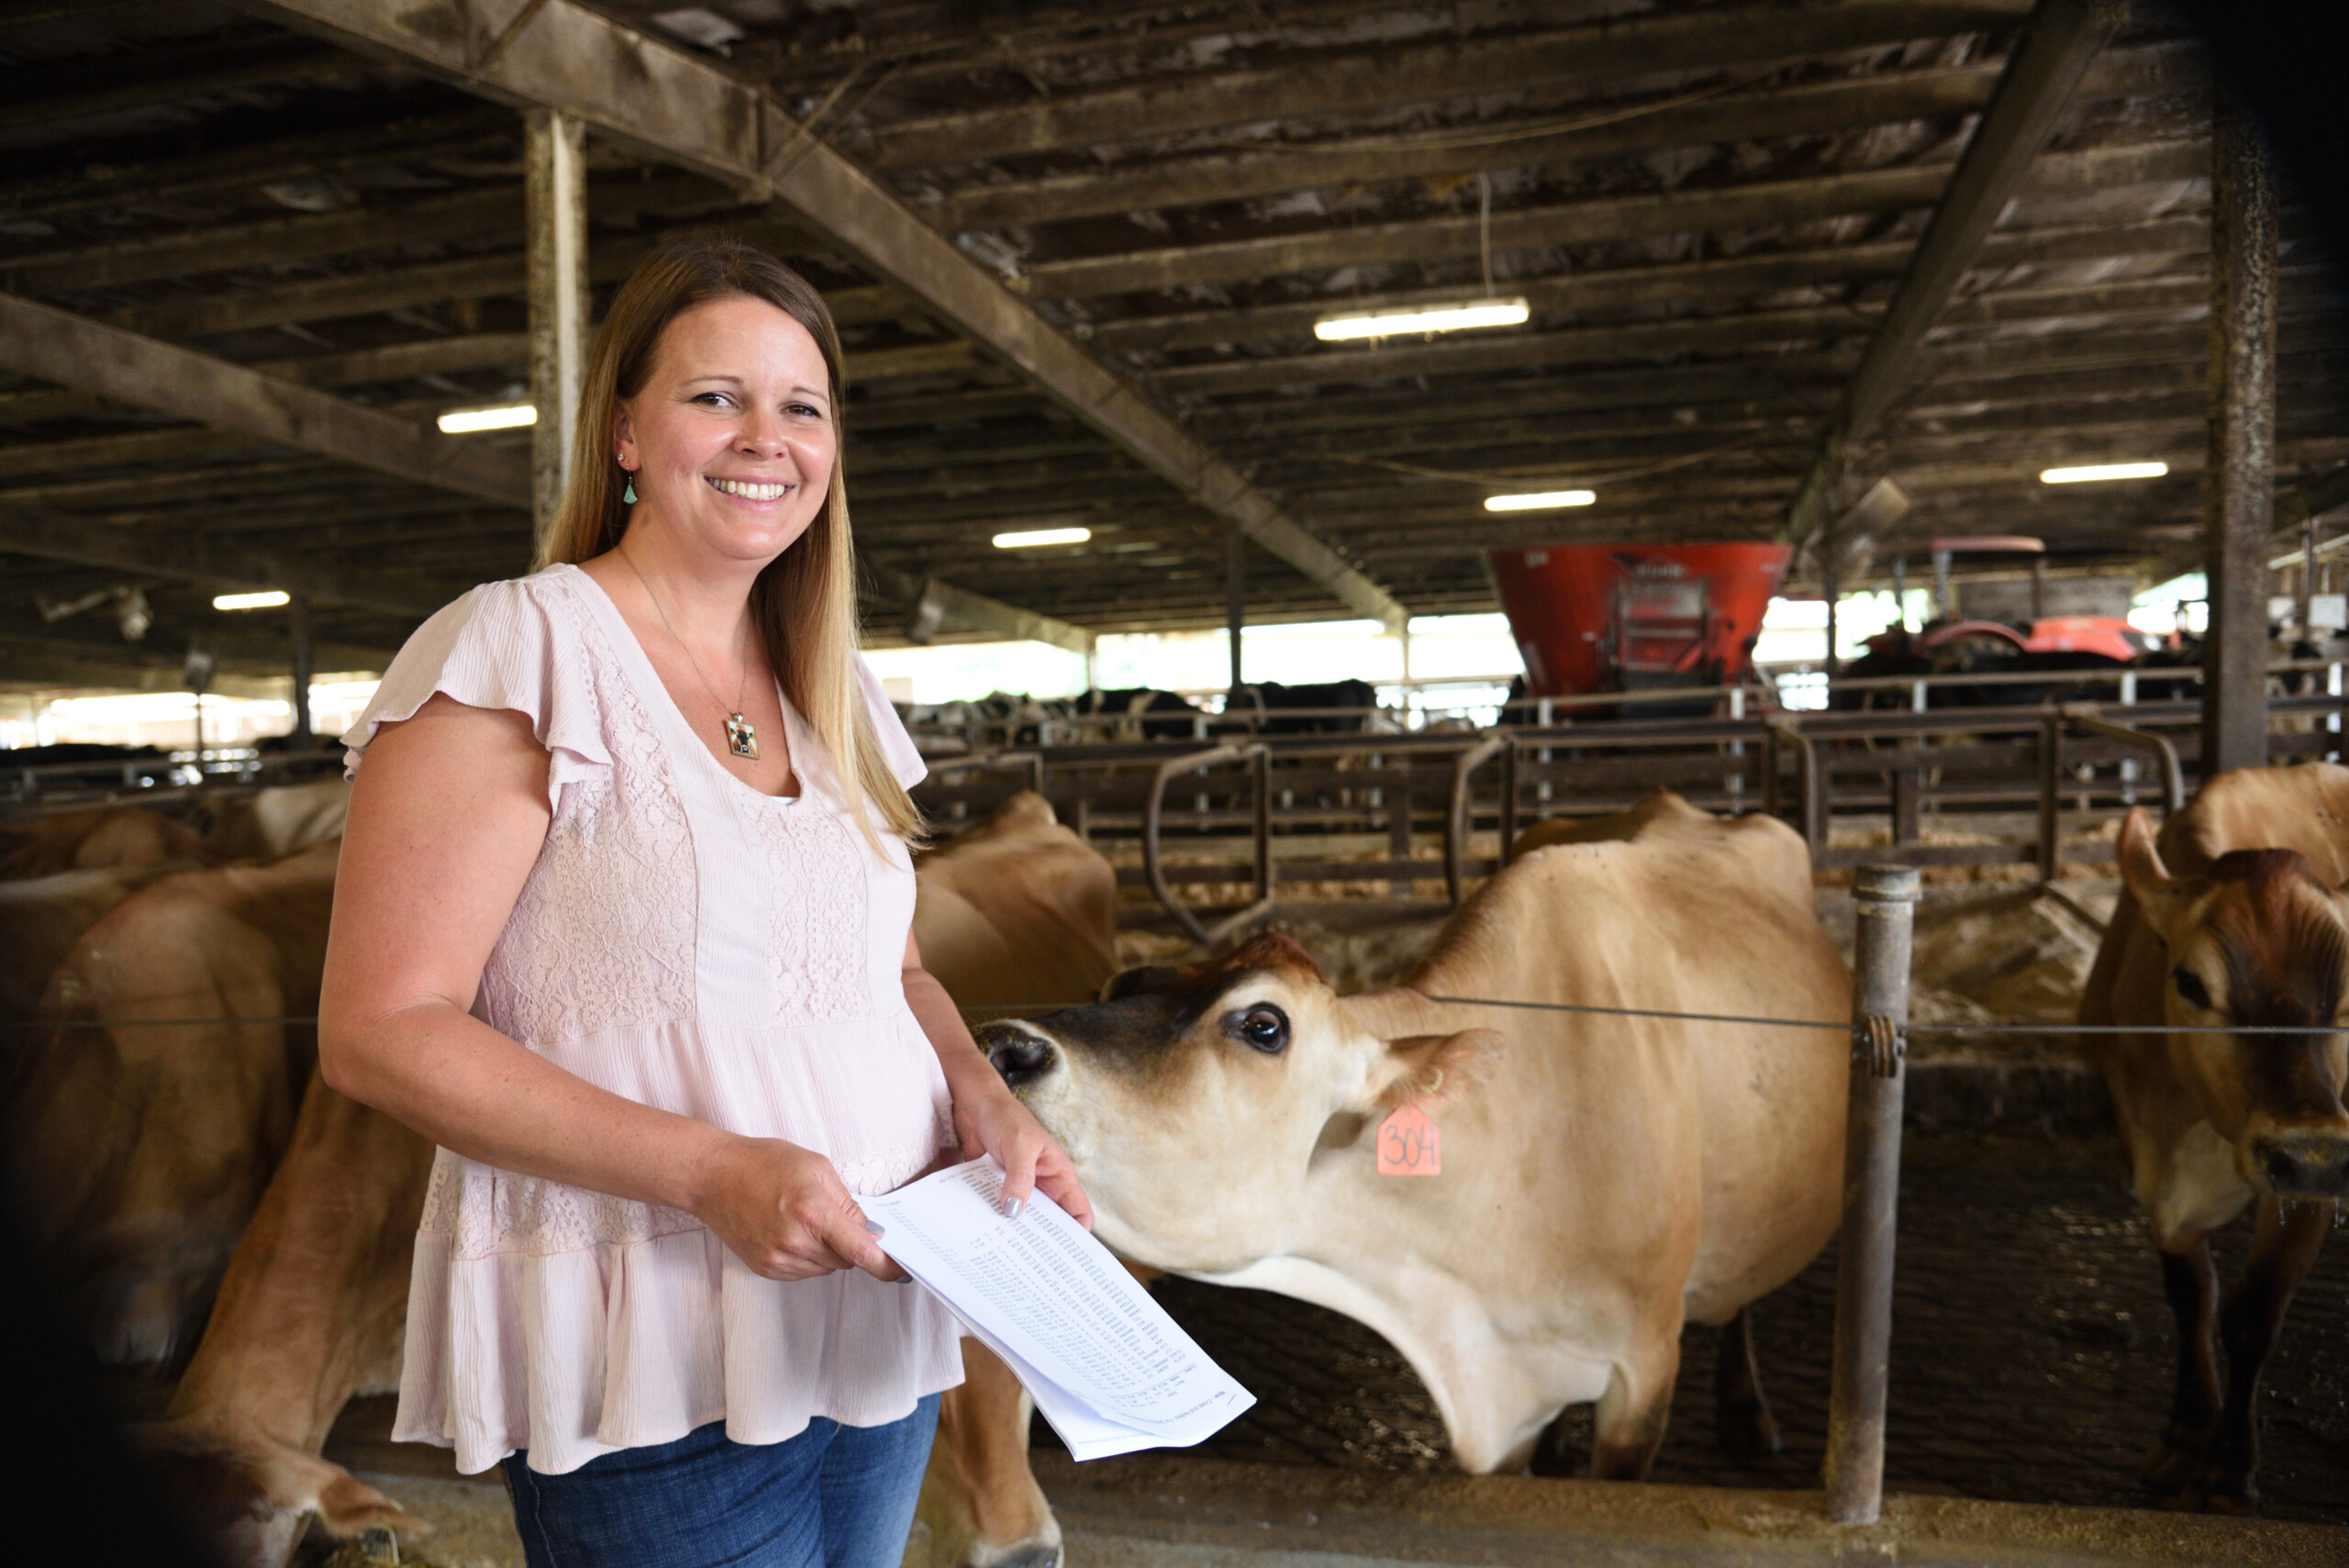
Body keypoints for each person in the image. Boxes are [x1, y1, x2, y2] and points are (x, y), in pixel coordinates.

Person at [317, 239, 1089, 1568]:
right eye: (715, 396)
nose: (765, 439)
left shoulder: (825, 679)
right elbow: (382, 1026)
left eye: (803, 406)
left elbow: (887, 973)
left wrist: (981, 1093)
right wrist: (713, 1172)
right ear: (626, 429)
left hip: (881, 1312)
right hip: (652, 1335)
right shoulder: (519, 646)